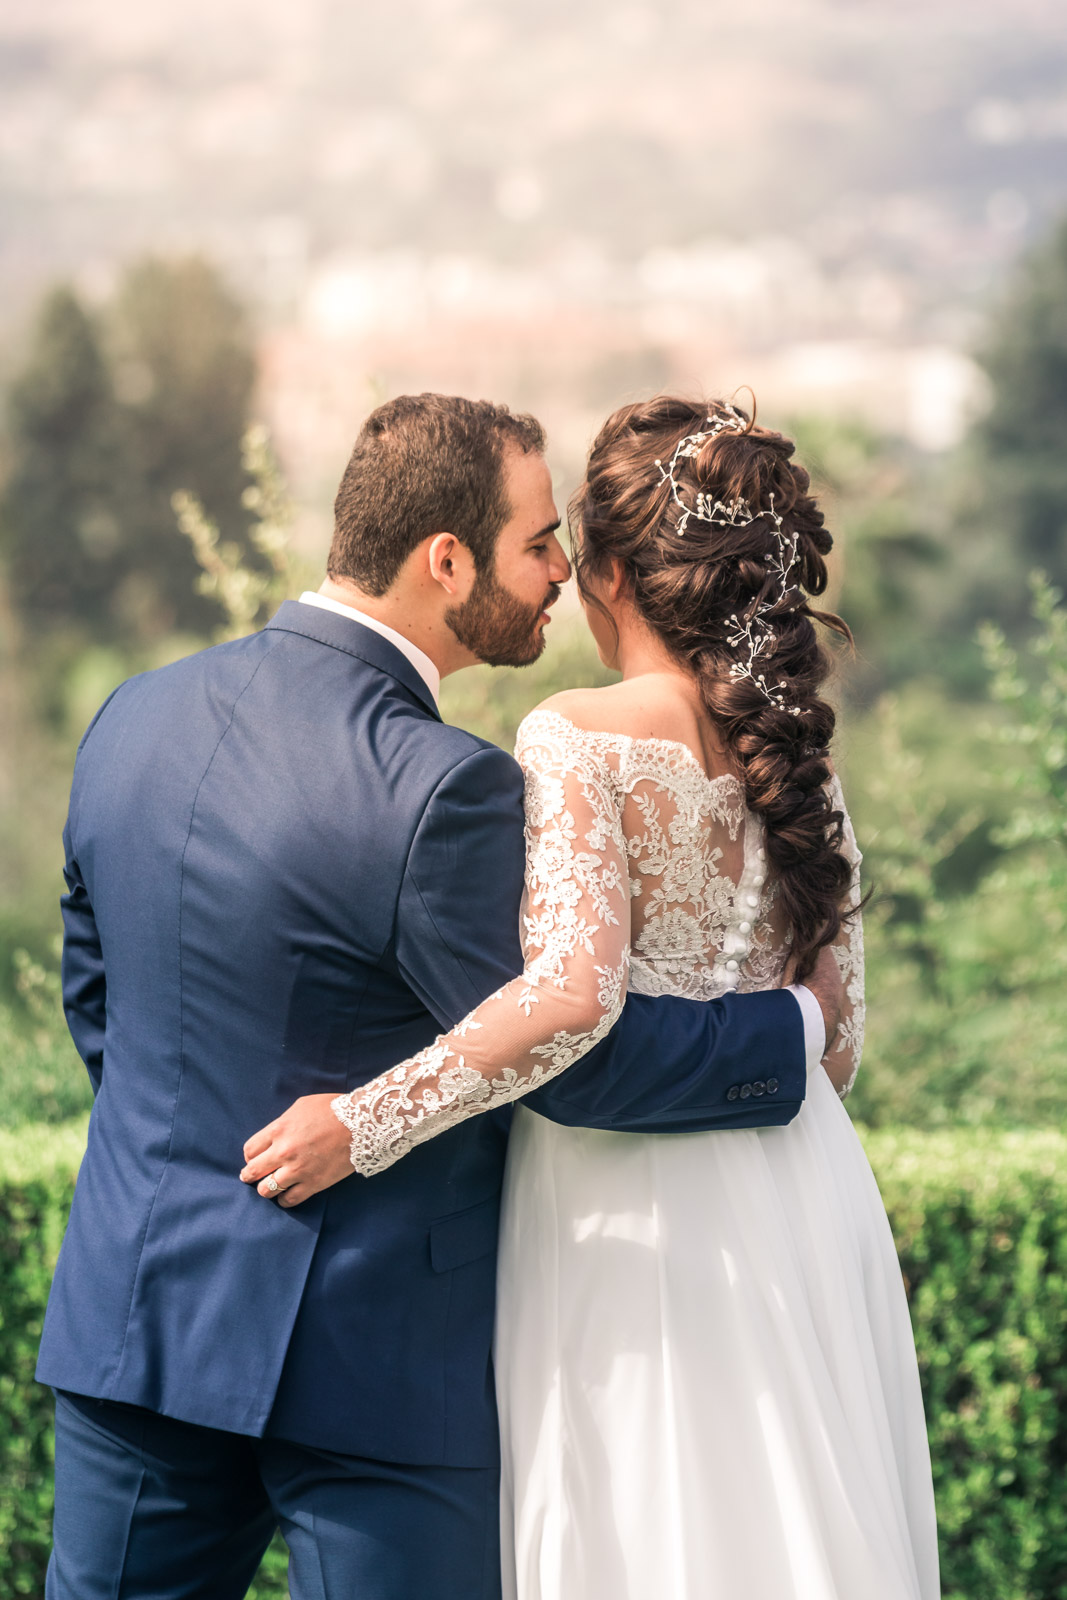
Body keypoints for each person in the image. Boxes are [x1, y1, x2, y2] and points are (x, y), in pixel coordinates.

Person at [40, 394, 836, 1600]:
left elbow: (96, 997)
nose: (563, 572)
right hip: (378, 1370)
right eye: (536, 543)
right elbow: (584, 1053)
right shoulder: (444, 787)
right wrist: (792, 1029)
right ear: (445, 559)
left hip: (136, 1324)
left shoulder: (129, 718)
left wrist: (195, 1162)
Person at [249, 397, 940, 1599]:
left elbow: (571, 998)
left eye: (574, 550)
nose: (562, 573)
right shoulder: (799, 759)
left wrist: (361, 1121)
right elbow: (834, 1044)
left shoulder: (574, 734)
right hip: (805, 1186)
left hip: (627, 1213)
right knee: (797, 1516)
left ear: (616, 574)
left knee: (645, 1523)